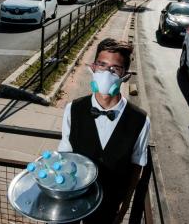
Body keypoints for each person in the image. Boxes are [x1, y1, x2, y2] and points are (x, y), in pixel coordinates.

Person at [58, 38, 151, 224]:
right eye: (102, 65)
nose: (106, 73)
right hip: (73, 199)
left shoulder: (140, 120)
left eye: (115, 69)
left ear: (125, 75)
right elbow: (65, 156)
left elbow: (136, 169)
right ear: (93, 67)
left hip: (108, 207)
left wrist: (123, 210)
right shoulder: (73, 109)